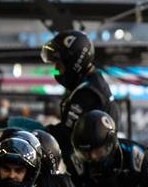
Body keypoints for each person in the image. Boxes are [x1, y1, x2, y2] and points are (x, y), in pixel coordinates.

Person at [41, 29, 113, 166]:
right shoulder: (92, 82)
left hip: (90, 169)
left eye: (59, 64)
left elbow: (66, 135)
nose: (55, 69)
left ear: (73, 63)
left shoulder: (87, 93)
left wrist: (36, 133)